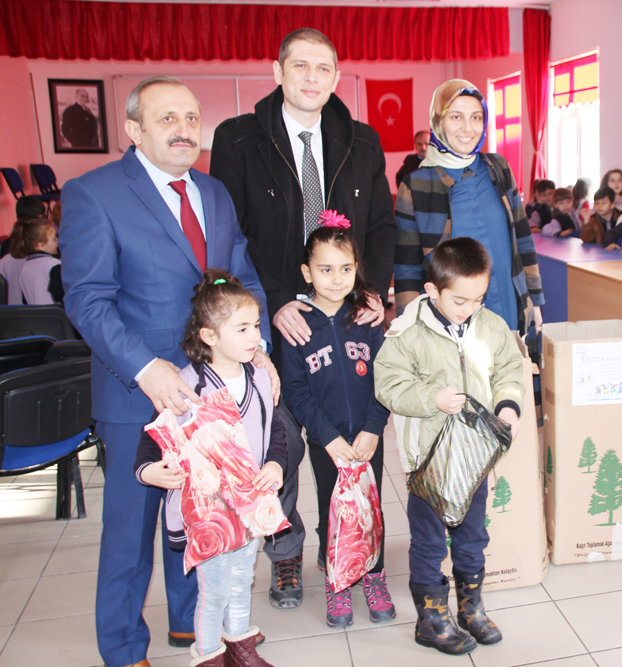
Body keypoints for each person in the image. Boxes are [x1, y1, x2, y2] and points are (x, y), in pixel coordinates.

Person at [59, 75, 276, 667]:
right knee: (130, 529)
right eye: (167, 119)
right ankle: (123, 647)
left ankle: (191, 625)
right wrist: (145, 368)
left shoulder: (215, 193)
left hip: (212, 389)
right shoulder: (94, 194)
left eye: (191, 118)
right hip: (137, 391)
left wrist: (256, 348)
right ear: (133, 130)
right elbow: (87, 299)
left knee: (200, 512)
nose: (184, 130)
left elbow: (241, 278)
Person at [211, 27, 397, 608]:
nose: (312, 78)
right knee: (283, 441)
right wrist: (273, 302)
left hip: (345, 308)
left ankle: (347, 542)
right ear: (278, 71)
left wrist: (370, 291)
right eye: (300, 66)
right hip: (275, 316)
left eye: (323, 68)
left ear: (336, 77)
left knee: (348, 434)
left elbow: (382, 227)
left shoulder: (361, 141)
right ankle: (285, 552)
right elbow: (230, 234)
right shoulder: (238, 139)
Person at [374, 237, 524, 656]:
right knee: (429, 541)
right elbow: (388, 384)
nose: (469, 308)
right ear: (432, 290)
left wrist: (508, 407)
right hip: (429, 462)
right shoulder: (406, 332)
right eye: (460, 300)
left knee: (473, 534)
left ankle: (470, 607)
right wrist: (432, 398)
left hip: (474, 459)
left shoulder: (491, 325)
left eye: (478, 299)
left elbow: (510, 369)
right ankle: (431, 618)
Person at [134, 270, 285, 667]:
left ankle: (241, 649)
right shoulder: (187, 385)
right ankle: (207, 656)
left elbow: (275, 430)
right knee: (214, 590)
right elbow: (151, 438)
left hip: (249, 504)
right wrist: (148, 471)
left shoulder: (260, 377)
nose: (254, 337)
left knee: (242, 580)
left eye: (256, 326)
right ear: (209, 336)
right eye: (242, 329)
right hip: (209, 513)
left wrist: (274, 463)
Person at [280, 220, 394, 628]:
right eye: (325, 269)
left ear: (356, 268)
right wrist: (326, 437)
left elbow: (386, 377)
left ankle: (374, 575)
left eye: (345, 269)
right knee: (335, 510)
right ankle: (338, 580)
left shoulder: (366, 319)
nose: (336, 279)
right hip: (326, 442)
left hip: (367, 437)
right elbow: (295, 391)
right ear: (307, 272)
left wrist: (374, 427)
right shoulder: (296, 326)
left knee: (371, 507)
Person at [395, 79, 544, 337]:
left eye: (476, 118)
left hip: (508, 303)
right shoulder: (416, 185)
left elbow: (523, 238)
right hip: (453, 317)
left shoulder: (499, 168)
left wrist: (535, 299)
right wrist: (409, 326)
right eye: (456, 117)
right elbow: (406, 266)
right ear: (438, 120)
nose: (468, 128)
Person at [17, 217, 62, 305]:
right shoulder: (52, 264)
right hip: (55, 313)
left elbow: (25, 301)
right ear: (40, 245)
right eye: (54, 239)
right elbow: (60, 295)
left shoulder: (24, 268)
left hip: (35, 313)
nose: (57, 242)